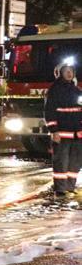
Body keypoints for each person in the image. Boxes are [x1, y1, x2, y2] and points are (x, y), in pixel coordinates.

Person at [43, 62, 82, 197]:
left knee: (75, 163)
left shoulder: (77, 90)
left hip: (77, 134)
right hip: (62, 133)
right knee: (61, 162)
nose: (69, 73)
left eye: (71, 71)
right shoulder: (54, 90)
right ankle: (60, 189)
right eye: (66, 71)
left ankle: (70, 186)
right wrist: (54, 131)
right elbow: (49, 111)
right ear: (60, 74)